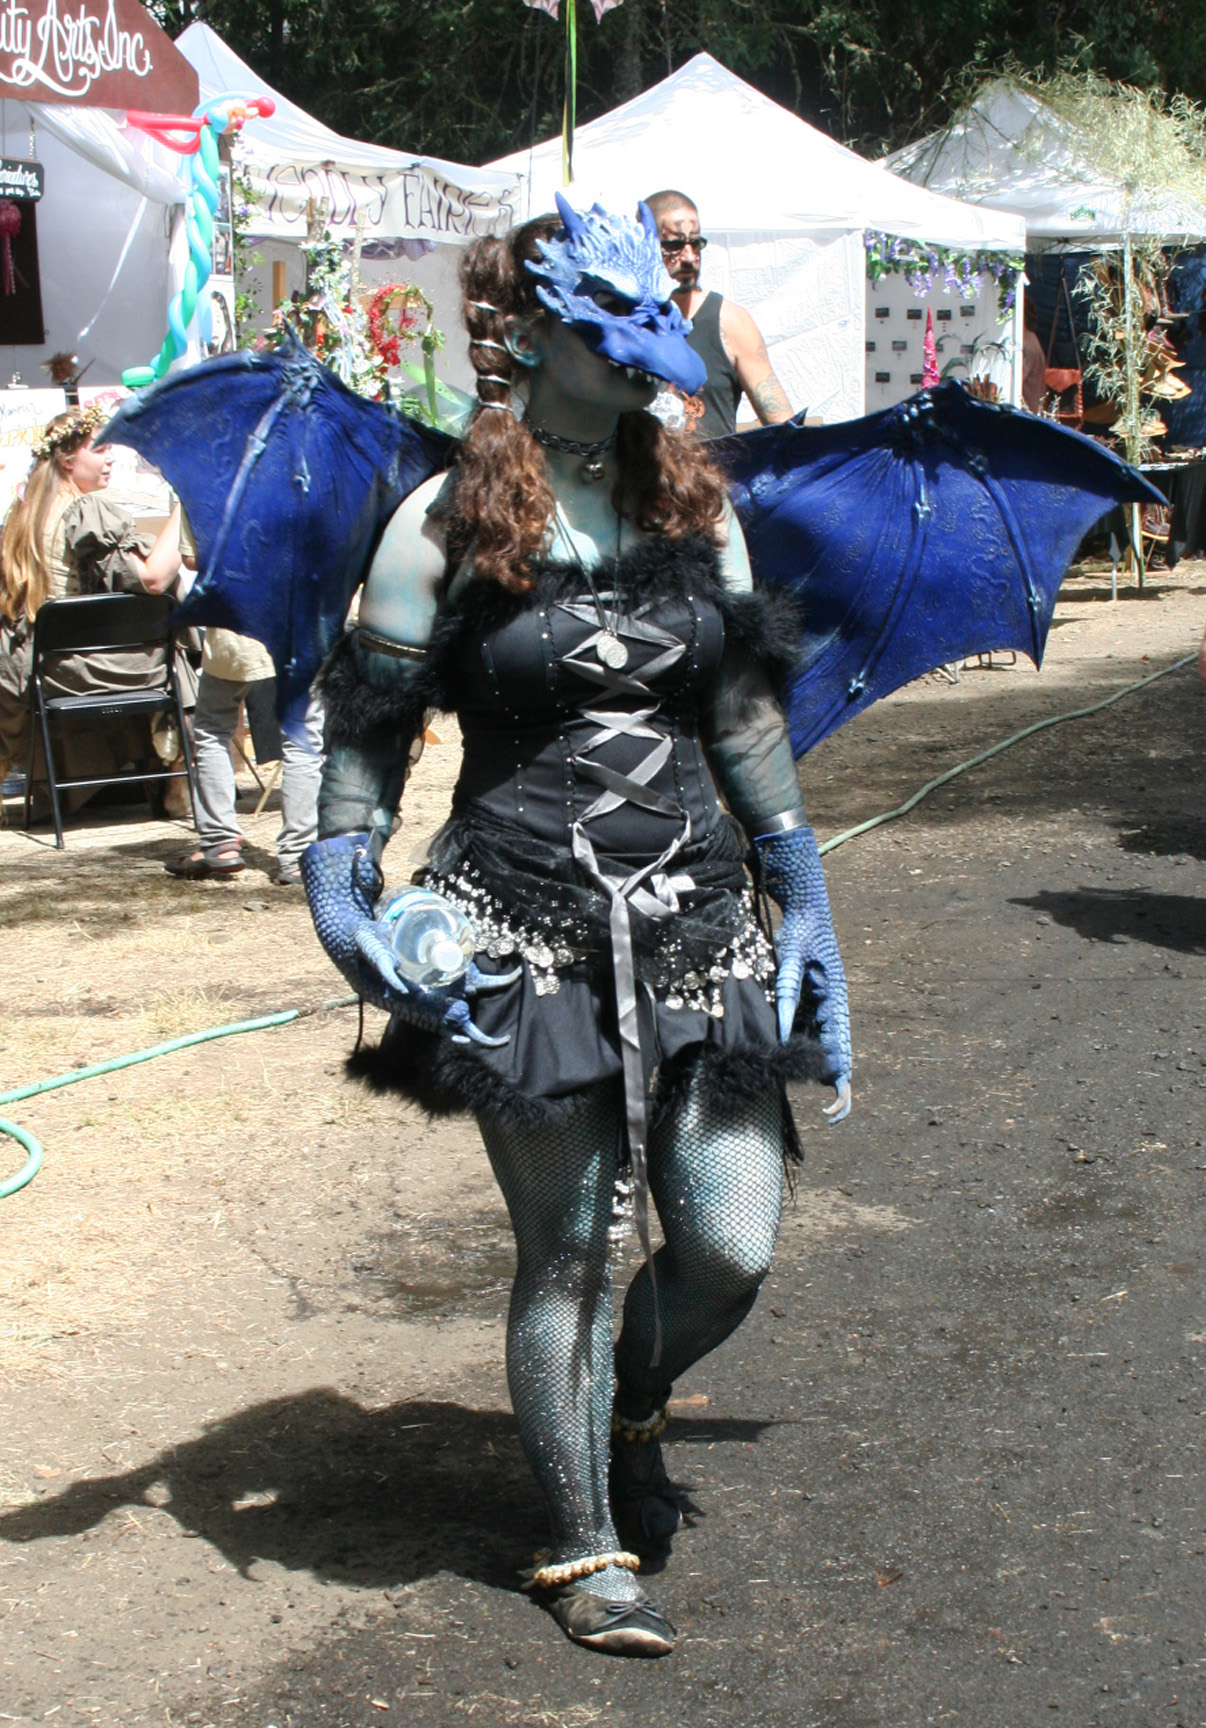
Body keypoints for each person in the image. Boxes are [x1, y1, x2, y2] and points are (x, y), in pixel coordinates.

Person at [300, 200, 851, 1658]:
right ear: (536, 333)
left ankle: (629, 1398)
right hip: (518, 933)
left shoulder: (695, 504)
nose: (648, 353)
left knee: (729, 1244)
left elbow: (741, 711)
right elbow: (370, 722)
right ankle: (580, 1544)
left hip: (701, 922)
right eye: (614, 329)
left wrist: (799, 878)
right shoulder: (445, 518)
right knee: (568, 1253)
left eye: (655, 323)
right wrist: (341, 875)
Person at [0, 406, 196, 813]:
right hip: (76, 668)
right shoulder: (83, 510)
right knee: (171, 645)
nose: (111, 458)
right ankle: (177, 779)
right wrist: (188, 503)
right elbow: (152, 579)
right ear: (67, 460)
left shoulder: (24, 512)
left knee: (154, 632)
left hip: (38, 662)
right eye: (101, 449)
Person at [165, 623, 323, 884]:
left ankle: (219, 842)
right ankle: (299, 857)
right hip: (301, 632)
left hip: (237, 635)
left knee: (212, 729)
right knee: (302, 738)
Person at [643, 188, 794, 436]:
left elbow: (785, 429)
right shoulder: (621, 324)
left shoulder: (731, 322)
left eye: (695, 243)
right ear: (643, 246)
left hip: (714, 462)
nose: (689, 257)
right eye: (674, 245)